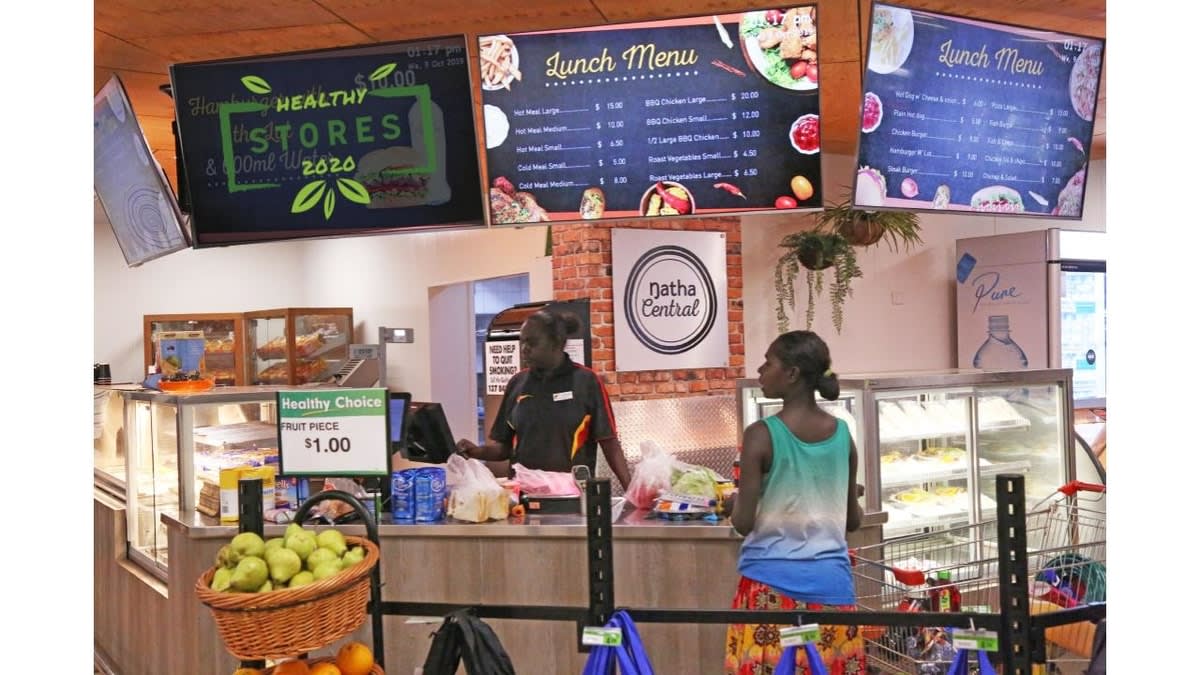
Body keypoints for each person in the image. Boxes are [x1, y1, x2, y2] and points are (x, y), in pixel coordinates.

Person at [723, 330, 865, 675]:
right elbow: (852, 521)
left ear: (792, 374)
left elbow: (742, 523)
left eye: (768, 362)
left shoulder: (761, 434)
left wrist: (734, 503)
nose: (760, 369)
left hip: (769, 590)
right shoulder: (843, 434)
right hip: (833, 590)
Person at [456, 309, 632, 489]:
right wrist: (476, 451)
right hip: (523, 498)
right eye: (522, 341)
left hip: (572, 499)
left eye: (532, 343)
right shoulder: (517, 383)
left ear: (557, 344)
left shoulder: (586, 381)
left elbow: (609, 443)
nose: (524, 349)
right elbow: (504, 449)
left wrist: (632, 492)